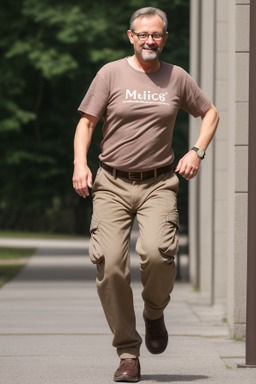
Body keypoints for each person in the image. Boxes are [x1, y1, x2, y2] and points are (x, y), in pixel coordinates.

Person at [72, 7, 219, 382]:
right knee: (110, 264)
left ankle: (154, 313)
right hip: (112, 182)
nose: (149, 41)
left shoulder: (177, 77)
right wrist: (80, 164)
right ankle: (127, 353)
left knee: (157, 254)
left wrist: (196, 151)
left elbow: (211, 113)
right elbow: (86, 123)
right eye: (143, 35)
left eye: (156, 35)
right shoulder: (110, 73)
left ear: (164, 38)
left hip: (158, 183)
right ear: (131, 36)